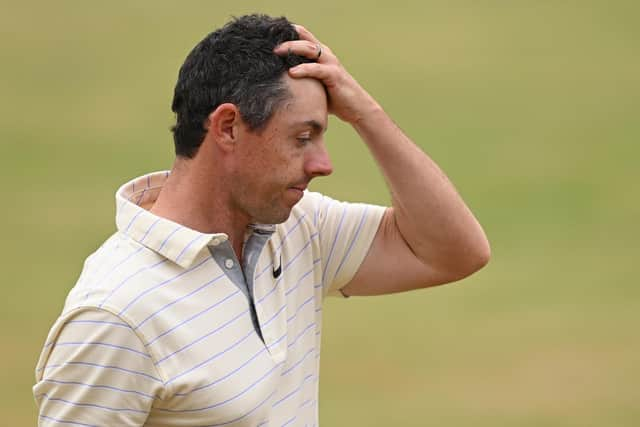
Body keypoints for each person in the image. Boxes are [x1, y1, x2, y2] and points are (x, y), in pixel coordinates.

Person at [33, 14, 490, 427]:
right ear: (228, 127)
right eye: (303, 137)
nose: (323, 163)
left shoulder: (298, 229)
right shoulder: (116, 315)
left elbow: (455, 252)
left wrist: (365, 113)